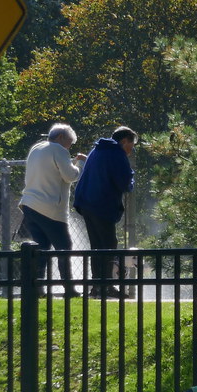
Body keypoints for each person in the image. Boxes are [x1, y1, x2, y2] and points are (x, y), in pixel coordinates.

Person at [18, 123, 86, 298]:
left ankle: (37, 286)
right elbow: (71, 176)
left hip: (29, 204)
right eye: (69, 143)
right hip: (49, 208)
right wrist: (80, 162)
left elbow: (54, 172)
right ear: (61, 138)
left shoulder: (36, 148)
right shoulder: (58, 150)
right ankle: (69, 288)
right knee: (65, 247)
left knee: (42, 248)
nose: (69, 148)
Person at [73, 126, 137, 297]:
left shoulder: (97, 150)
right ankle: (107, 285)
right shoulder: (116, 154)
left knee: (97, 246)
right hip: (101, 204)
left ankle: (96, 285)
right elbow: (125, 183)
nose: (131, 150)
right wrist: (132, 178)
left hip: (86, 203)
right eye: (131, 145)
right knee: (109, 245)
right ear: (124, 141)